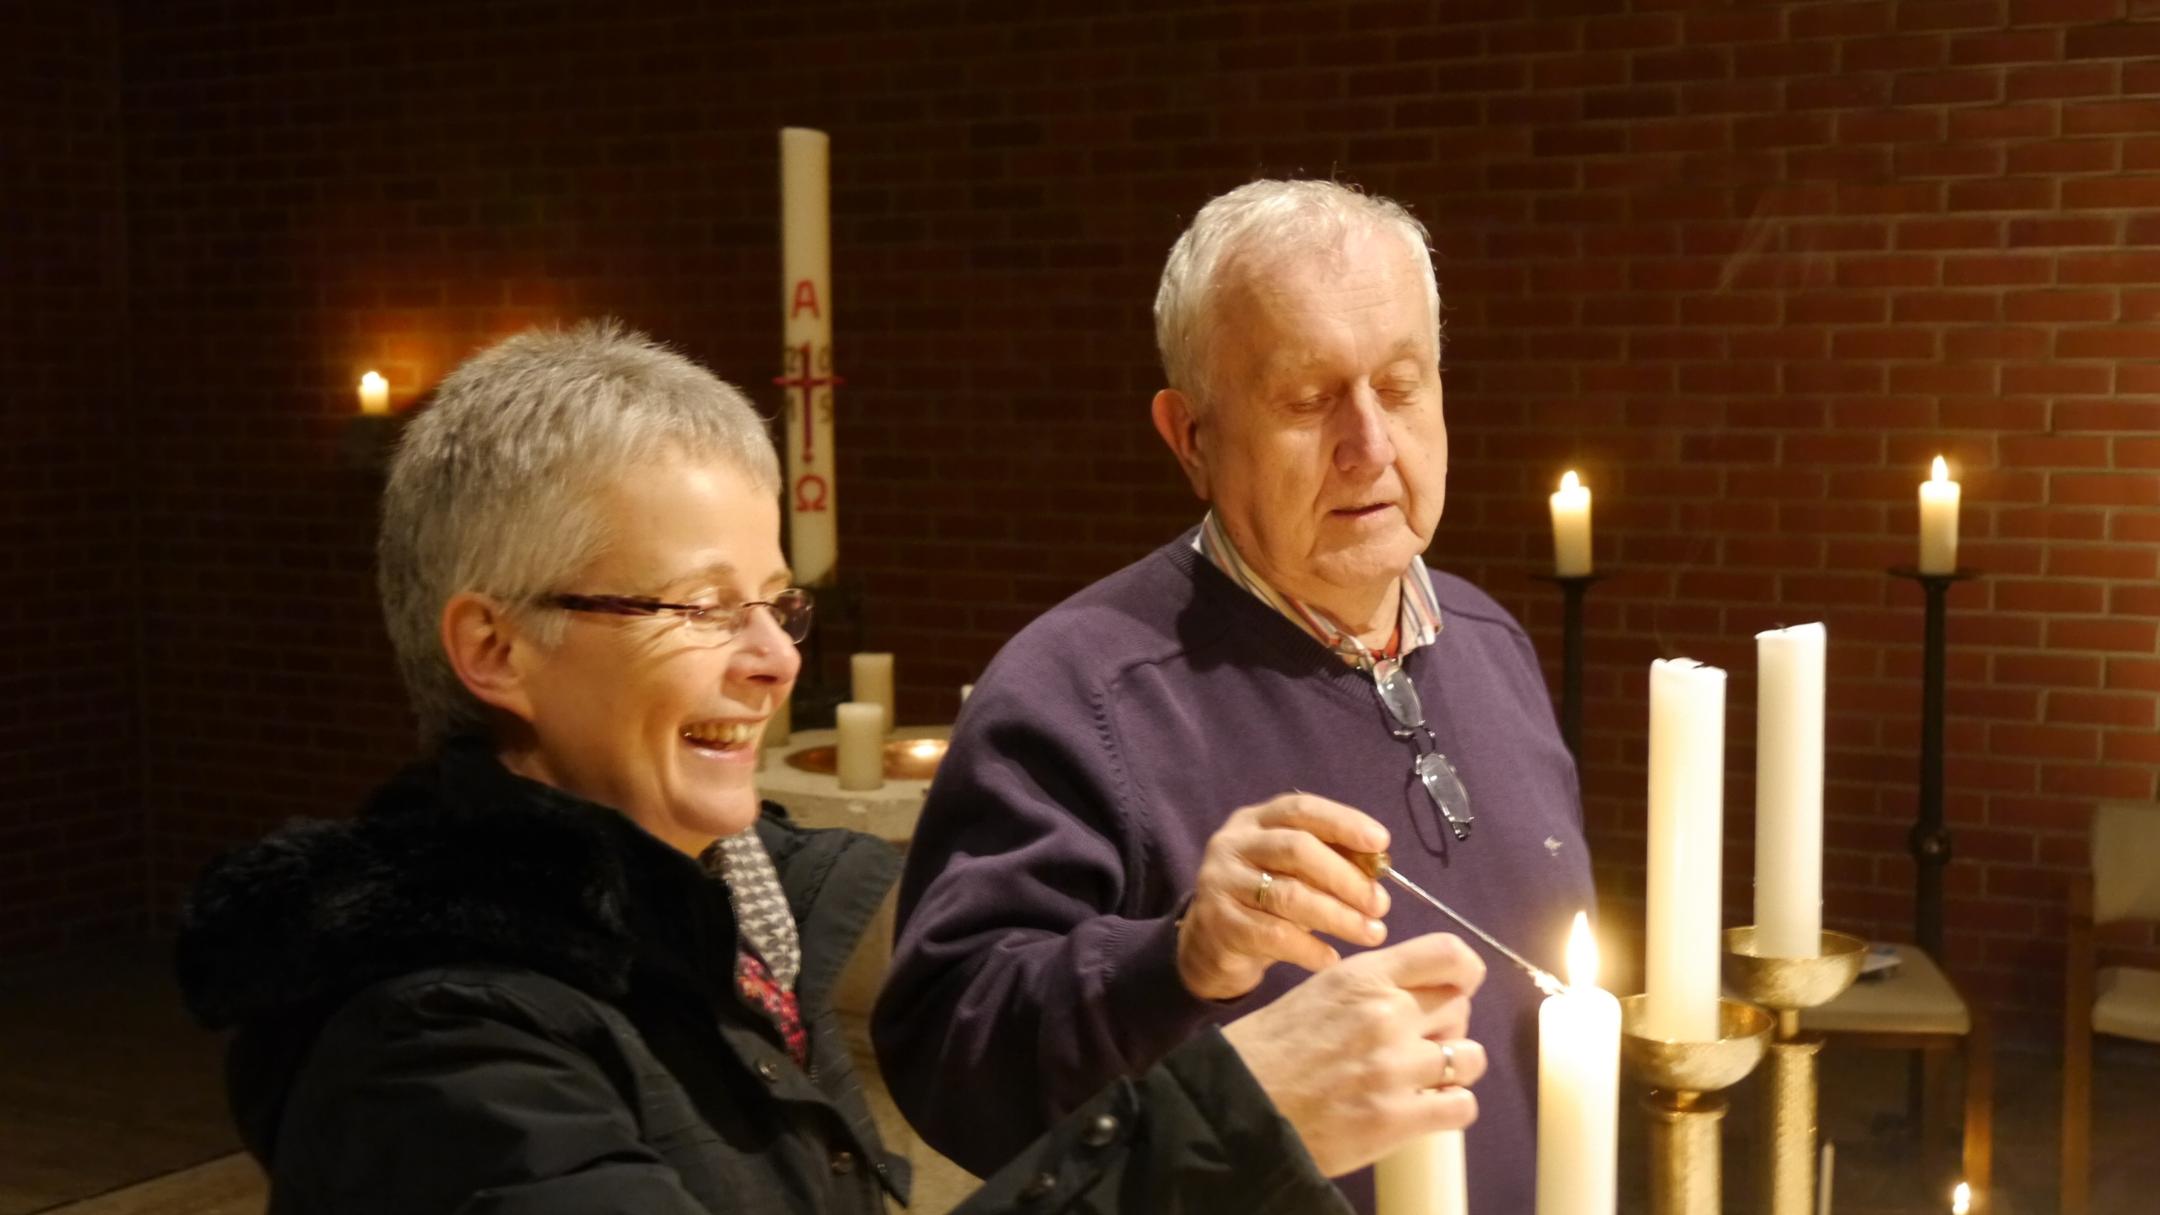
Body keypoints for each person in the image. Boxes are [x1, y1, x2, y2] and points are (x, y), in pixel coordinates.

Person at [173, 321, 1491, 1214]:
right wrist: (1227, 1122)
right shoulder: (434, 1057)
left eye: (776, 602)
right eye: (697, 605)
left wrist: (1193, 942)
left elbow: (986, 957)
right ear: (495, 645)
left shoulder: (733, 904)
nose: (771, 661)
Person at [873, 180, 1595, 1213]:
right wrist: (1173, 961)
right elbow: (948, 1051)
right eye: (1308, 401)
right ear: (1191, 438)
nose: (1371, 445)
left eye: (1400, 386)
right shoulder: (1076, 692)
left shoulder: (1490, 641)